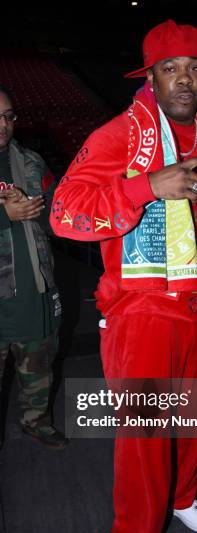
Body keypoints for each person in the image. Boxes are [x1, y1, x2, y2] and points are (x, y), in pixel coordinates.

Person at [50, 20, 197, 533]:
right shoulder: (123, 135)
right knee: (145, 436)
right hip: (142, 313)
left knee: (193, 422)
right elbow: (64, 213)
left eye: (193, 67)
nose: (184, 79)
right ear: (150, 76)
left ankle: (184, 495)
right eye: (171, 69)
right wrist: (146, 187)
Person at [0, 85, 67, 450]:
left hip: (34, 289)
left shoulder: (30, 161)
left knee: (39, 367)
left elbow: (56, 213)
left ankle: (36, 421)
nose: (3, 124)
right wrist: (4, 213)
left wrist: (36, 210)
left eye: (8, 116)